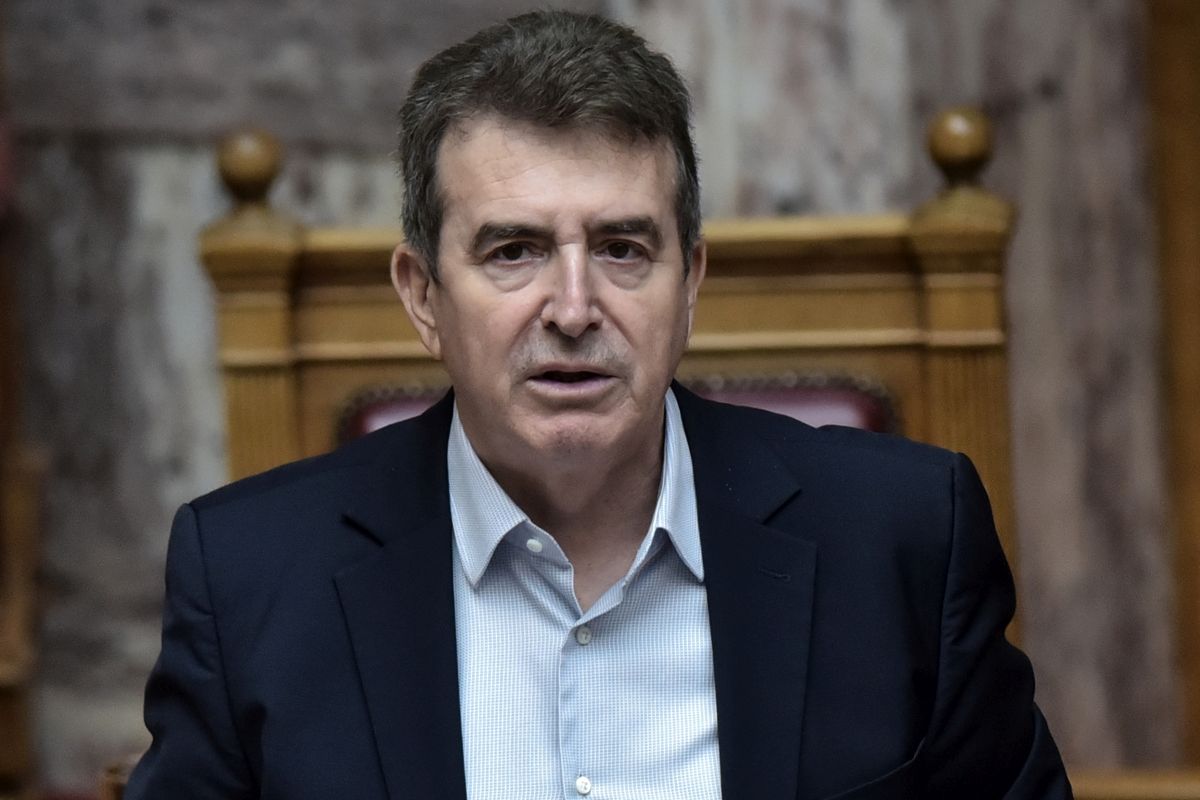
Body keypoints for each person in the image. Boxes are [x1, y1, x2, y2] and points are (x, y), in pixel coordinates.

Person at [126, 10, 1071, 799]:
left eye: (623, 249)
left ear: (689, 281)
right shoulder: (251, 578)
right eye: (514, 252)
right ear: (422, 297)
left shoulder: (902, 540)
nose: (574, 310)